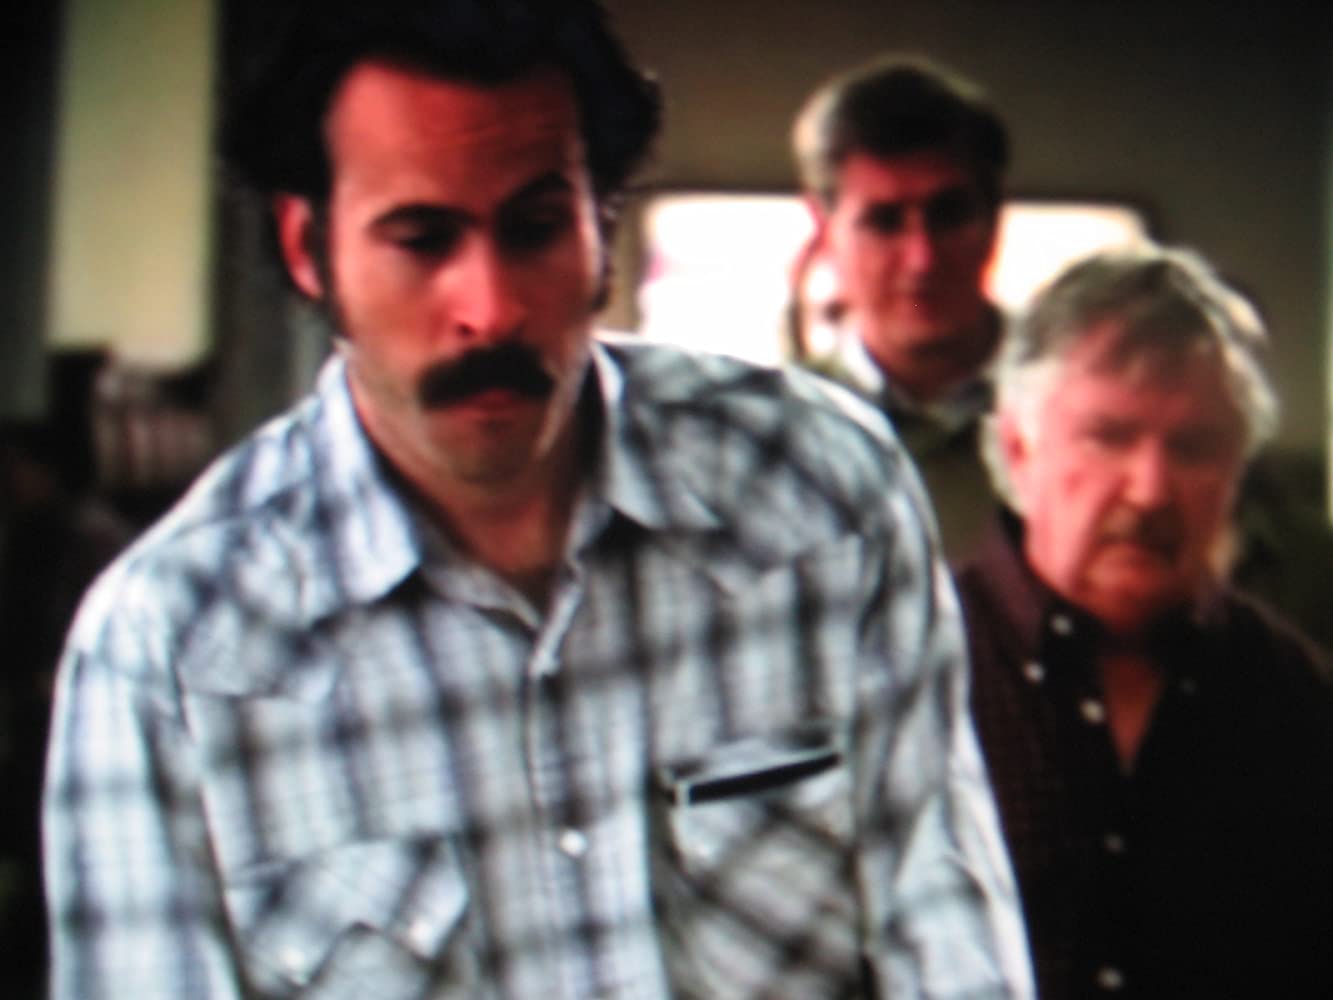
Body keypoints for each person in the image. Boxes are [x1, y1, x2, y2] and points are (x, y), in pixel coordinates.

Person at [42, 2, 1032, 997]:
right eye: (422, 240)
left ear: (602, 222)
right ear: (308, 248)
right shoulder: (175, 646)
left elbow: (948, 941)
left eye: (534, 228)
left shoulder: (816, 490)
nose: (492, 308)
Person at [958, 242, 1333, 998]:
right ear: (1016, 449)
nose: (1152, 489)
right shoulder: (907, 665)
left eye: (1194, 447)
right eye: (1109, 436)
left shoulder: (1295, 695)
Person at [789, 54, 1010, 558]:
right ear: (824, 228)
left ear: (994, 218)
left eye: (949, 215)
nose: (922, 259)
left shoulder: (1082, 417)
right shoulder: (775, 428)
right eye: (884, 222)